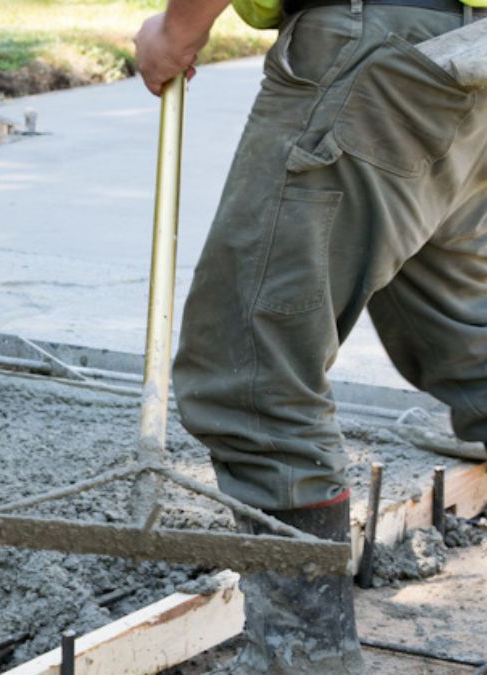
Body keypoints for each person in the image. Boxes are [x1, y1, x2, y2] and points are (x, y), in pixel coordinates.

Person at [136, 0, 487, 671]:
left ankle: (301, 659)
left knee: (250, 367)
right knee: (471, 343)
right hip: (465, 50)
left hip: (374, 49)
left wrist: (179, 29)